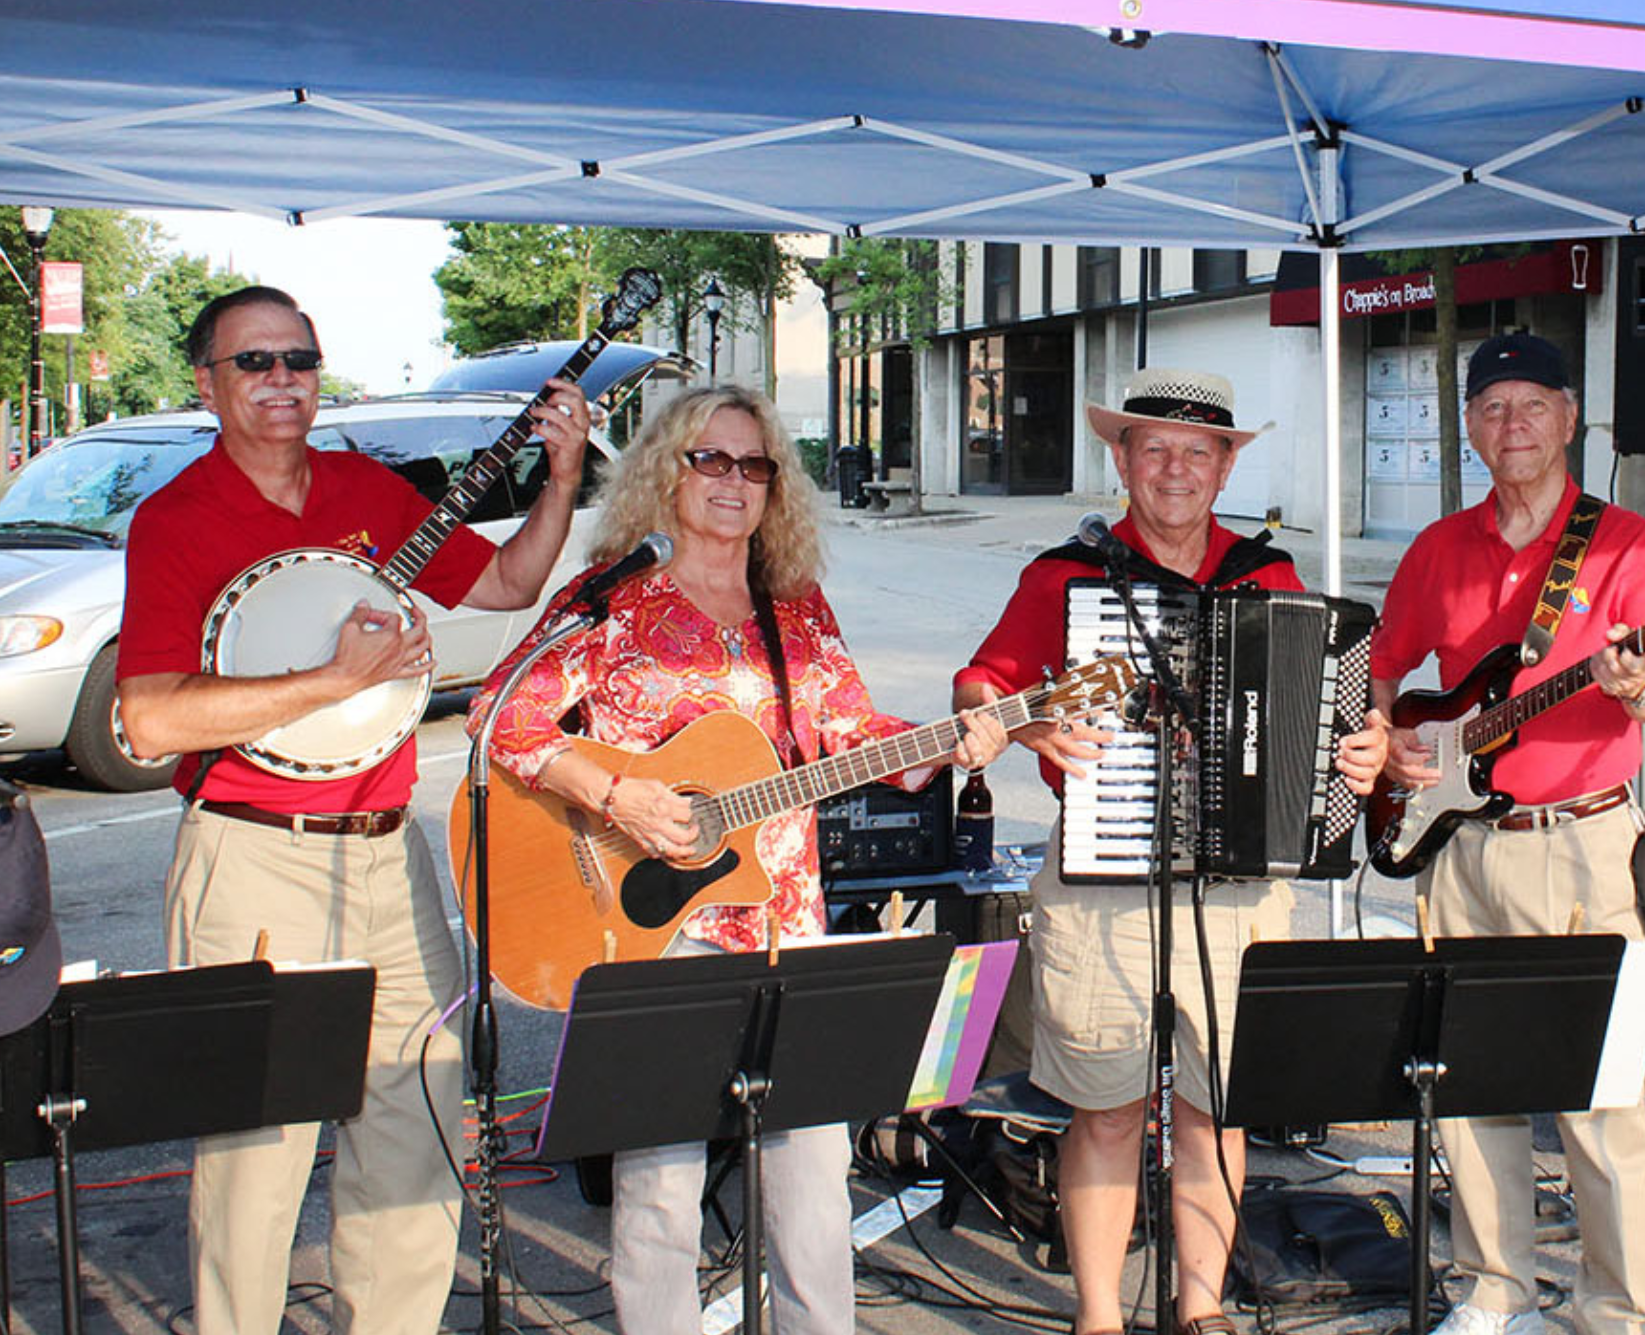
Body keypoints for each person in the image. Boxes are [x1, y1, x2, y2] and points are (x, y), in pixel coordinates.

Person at [469, 384, 1006, 1335]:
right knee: (661, 1188)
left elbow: (848, 732)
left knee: (812, 1178)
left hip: (784, 923)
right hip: (649, 932)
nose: (733, 480)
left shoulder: (794, 607)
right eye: (709, 459)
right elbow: (498, 716)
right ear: (664, 470)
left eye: (753, 464)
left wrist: (947, 741)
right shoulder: (612, 597)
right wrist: (615, 793)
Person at [115, 285, 595, 1335]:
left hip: (387, 852)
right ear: (207, 383)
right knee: (255, 1151)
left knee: (416, 1129)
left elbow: (510, 584)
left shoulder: (362, 489)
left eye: (298, 358)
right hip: (253, 857)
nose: (281, 380)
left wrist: (559, 478)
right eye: (254, 363)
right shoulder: (176, 521)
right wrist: (333, 680)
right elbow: (150, 721)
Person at [954, 368, 1387, 1335]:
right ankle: (1099, 1317)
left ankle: (1202, 1309)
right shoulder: (1066, 574)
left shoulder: (1265, 574)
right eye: (1155, 447)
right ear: (1122, 459)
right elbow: (978, 686)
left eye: (1200, 452)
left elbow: (1329, 702)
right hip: (1102, 877)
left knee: (1217, 1108)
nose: (1177, 469)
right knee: (1105, 1108)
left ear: (1227, 465)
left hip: (1239, 888)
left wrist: (1361, 740)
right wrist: (1026, 731)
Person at [1369, 331, 1645, 1335]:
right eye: (1491, 408)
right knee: (1472, 1089)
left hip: (1584, 847)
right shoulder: (1437, 549)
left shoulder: (1628, 545)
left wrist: (1639, 685)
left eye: (1530, 406)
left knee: (1600, 1097)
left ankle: (1614, 1312)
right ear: (1467, 427)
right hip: (1461, 849)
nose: (1511, 426)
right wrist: (1385, 747)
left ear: (1565, 419)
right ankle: (1490, 1290)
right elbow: (1377, 667)